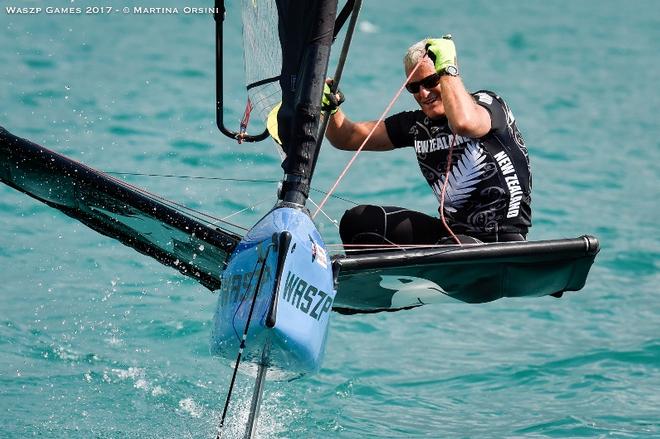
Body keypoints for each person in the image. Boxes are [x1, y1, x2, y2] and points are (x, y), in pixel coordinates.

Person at [322, 35, 532, 246]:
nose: (423, 93)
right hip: (452, 236)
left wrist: (447, 67)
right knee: (357, 222)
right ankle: (366, 278)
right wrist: (331, 110)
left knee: (447, 249)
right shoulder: (416, 125)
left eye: (431, 81)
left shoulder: (488, 104)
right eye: (414, 87)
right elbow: (347, 137)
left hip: (501, 241)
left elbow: (463, 123)